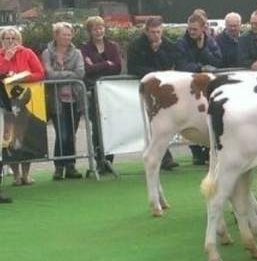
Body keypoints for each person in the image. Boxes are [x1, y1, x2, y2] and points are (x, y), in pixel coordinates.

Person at [127, 17, 182, 170]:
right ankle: (160, 156)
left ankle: (164, 156)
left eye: (158, 32)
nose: (156, 35)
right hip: (145, 90)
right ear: (146, 31)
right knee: (151, 125)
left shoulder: (168, 45)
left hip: (162, 90)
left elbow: (173, 62)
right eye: (153, 32)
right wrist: (154, 73)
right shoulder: (136, 45)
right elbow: (133, 68)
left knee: (163, 125)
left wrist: (158, 52)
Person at [0, 26, 45, 185]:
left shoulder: (28, 53)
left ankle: (26, 174)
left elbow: (40, 73)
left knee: (26, 137)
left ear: (19, 40)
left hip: (25, 99)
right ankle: (16, 174)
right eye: (7, 38)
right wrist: (6, 58)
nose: (11, 41)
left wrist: (23, 79)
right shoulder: (0, 55)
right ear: (2, 41)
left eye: (14, 38)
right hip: (5, 102)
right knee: (10, 137)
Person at [42, 22, 86, 180]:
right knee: (62, 134)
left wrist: (60, 74)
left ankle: (71, 166)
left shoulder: (78, 53)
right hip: (56, 99)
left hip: (74, 99)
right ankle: (59, 167)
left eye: (69, 35)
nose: (67, 37)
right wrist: (69, 74)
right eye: (64, 34)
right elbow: (49, 74)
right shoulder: (47, 53)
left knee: (71, 134)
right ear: (56, 35)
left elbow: (80, 73)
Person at [176, 12, 221, 166]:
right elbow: (181, 64)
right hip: (189, 89)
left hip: (208, 88)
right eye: (190, 29)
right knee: (190, 119)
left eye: (195, 29)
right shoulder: (181, 43)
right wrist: (200, 67)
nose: (192, 32)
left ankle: (211, 151)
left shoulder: (211, 41)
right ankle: (196, 153)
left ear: (203, 28)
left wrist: (203, 50)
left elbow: (217, 61)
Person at [81, 16, 121, 174]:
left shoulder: (112, 46)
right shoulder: (84, 48)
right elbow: (87, 69)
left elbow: (117, 67)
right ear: (90, 31)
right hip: (93, 92)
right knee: (97, 126)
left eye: (101, 27)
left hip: (110, 92)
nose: (99, 31)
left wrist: (96, 64)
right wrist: (106, 64)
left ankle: (109, 159)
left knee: (110, 125)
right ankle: (99, 160)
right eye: (95, 29)